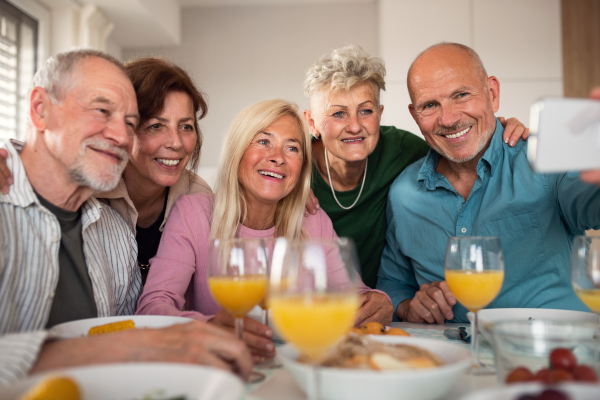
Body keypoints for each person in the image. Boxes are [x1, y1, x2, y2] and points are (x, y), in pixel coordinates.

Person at [0, 49, 252, 386]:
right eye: (103, 111)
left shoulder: (116, 233)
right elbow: (129, 344)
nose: (121, 136)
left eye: (130, 123)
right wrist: (120, 348)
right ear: (40, 109)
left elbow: (133, 331)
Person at [136, 100, 394, 346]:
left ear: (301, 167)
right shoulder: (194, 213)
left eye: (292, 148)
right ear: (237, 150)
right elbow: (153, 307)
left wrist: (378, 303)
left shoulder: (313, 221)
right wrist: (212, 327)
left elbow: (355, 294)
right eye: (263, 141)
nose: (278, 157)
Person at [377, 42, 600, 324]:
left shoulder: (544, 158)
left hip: (554, 356)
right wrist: (409, 305)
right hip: (456, 357)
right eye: (430, 105)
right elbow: (392, 282)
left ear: (492, 94)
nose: (449, 118)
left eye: (461, 95)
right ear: (414, 115)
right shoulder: (403, 194)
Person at [303, 44, 529, 289]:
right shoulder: (293, 168)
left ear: (379, 115)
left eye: (365, 111)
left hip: (375, 305)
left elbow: (456, 143)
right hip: (309, 302)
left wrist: (500, 129)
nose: (355, 126)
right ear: (312, 122)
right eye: (338, 114)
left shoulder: (403, 150)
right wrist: (291, 186)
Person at [98, 57, 212, 284]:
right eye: (156, 126)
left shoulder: (198, 197)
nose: (176, 143)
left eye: (185, 126)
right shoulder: (90, 192)